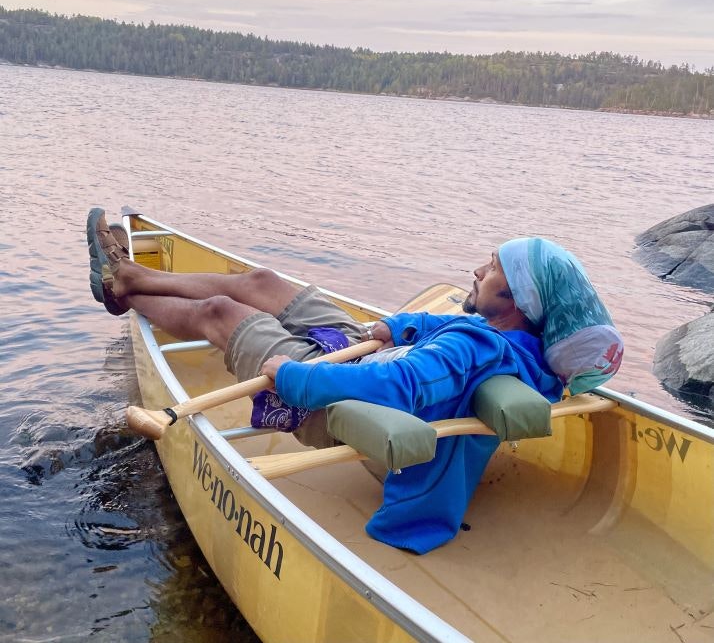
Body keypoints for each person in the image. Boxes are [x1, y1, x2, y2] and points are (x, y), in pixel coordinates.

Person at [87, 208, 623, 553]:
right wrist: (402, 325)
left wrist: (294, 379)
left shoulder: (474, 348)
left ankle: (125, 293)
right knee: (266, 283)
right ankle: (130, 275)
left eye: (492, 269)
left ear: (518, 299)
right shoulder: (523, 343)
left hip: (341, 393)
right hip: (362, 361)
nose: (478, 272)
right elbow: (457, 328)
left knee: (223, 312)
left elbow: (400, 387)